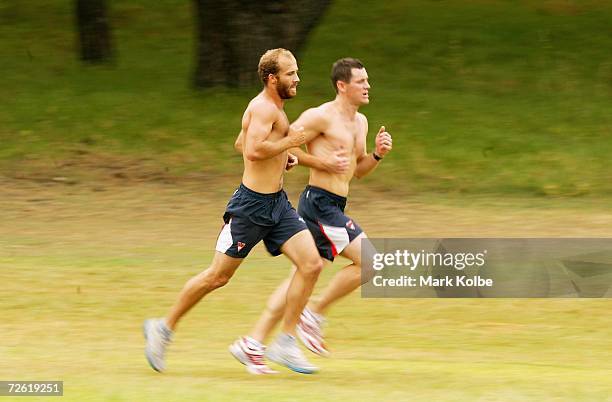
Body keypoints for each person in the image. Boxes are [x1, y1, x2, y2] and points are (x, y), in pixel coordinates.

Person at [144, 48, 324, 375]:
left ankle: (284, 342)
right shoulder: (262, 107)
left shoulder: (273, 110)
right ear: (272, 79)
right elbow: (253, 151)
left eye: (296, 72)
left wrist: (283, 157)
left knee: (311, 264)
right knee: (217, 277)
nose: (297, 78)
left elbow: (240, 143)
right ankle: (163, 327)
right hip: (251, 207)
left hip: (277, 204)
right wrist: (289, 142)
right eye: (290, 73)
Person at [229, 57, 393, 373]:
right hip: (318, 205)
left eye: (367, 81)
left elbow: (357, 172)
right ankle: (312, 314)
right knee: (371, 261)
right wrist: (322, 164)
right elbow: (283, 146)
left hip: (335, 204)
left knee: (301, 276)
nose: (368, 86)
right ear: (342, 86)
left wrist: (377, 155)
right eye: (361, 81)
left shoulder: (361, 123)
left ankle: (253, 342)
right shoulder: (320, 117)